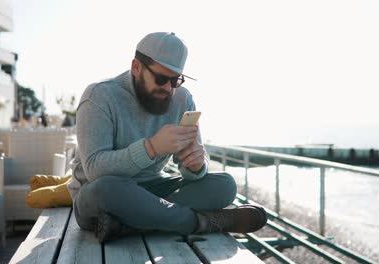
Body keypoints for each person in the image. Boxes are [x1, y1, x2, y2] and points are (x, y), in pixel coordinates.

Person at [68, 32, 267, 243]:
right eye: (161, 78)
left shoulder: (183, 100)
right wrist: (151, 148)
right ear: (136, 67)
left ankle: (127, 226)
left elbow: (192, 174)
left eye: (175, 80)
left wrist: (196, 166)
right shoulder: (99, 96)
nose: (168, 88)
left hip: (154, 191)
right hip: (102, 196)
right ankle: (203, 223)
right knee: (107, 189)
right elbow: (95, 171)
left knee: (225, 185)